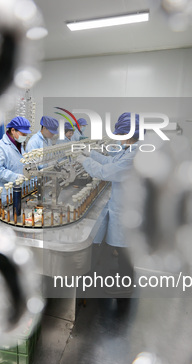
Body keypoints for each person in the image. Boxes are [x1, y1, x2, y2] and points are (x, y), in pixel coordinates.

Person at [76, 112, 139, 296]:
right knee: (122, 246)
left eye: (120, 135)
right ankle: (122, 274)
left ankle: (126, 282)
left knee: (125, 246)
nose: (118, 138)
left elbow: (106, 171)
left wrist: (85, 160)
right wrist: (91, 153)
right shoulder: (129, 149)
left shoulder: (133, 155)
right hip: (123, 203)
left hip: (127, 207)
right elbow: (110, 161)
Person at [0, 116, 31, 201]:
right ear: (13, 130)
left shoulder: (18, 144)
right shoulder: (1, 148)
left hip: (20, 191)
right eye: (23, 134)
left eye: (26, 134)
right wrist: (15, 177)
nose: (25, 136)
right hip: (7, 194)